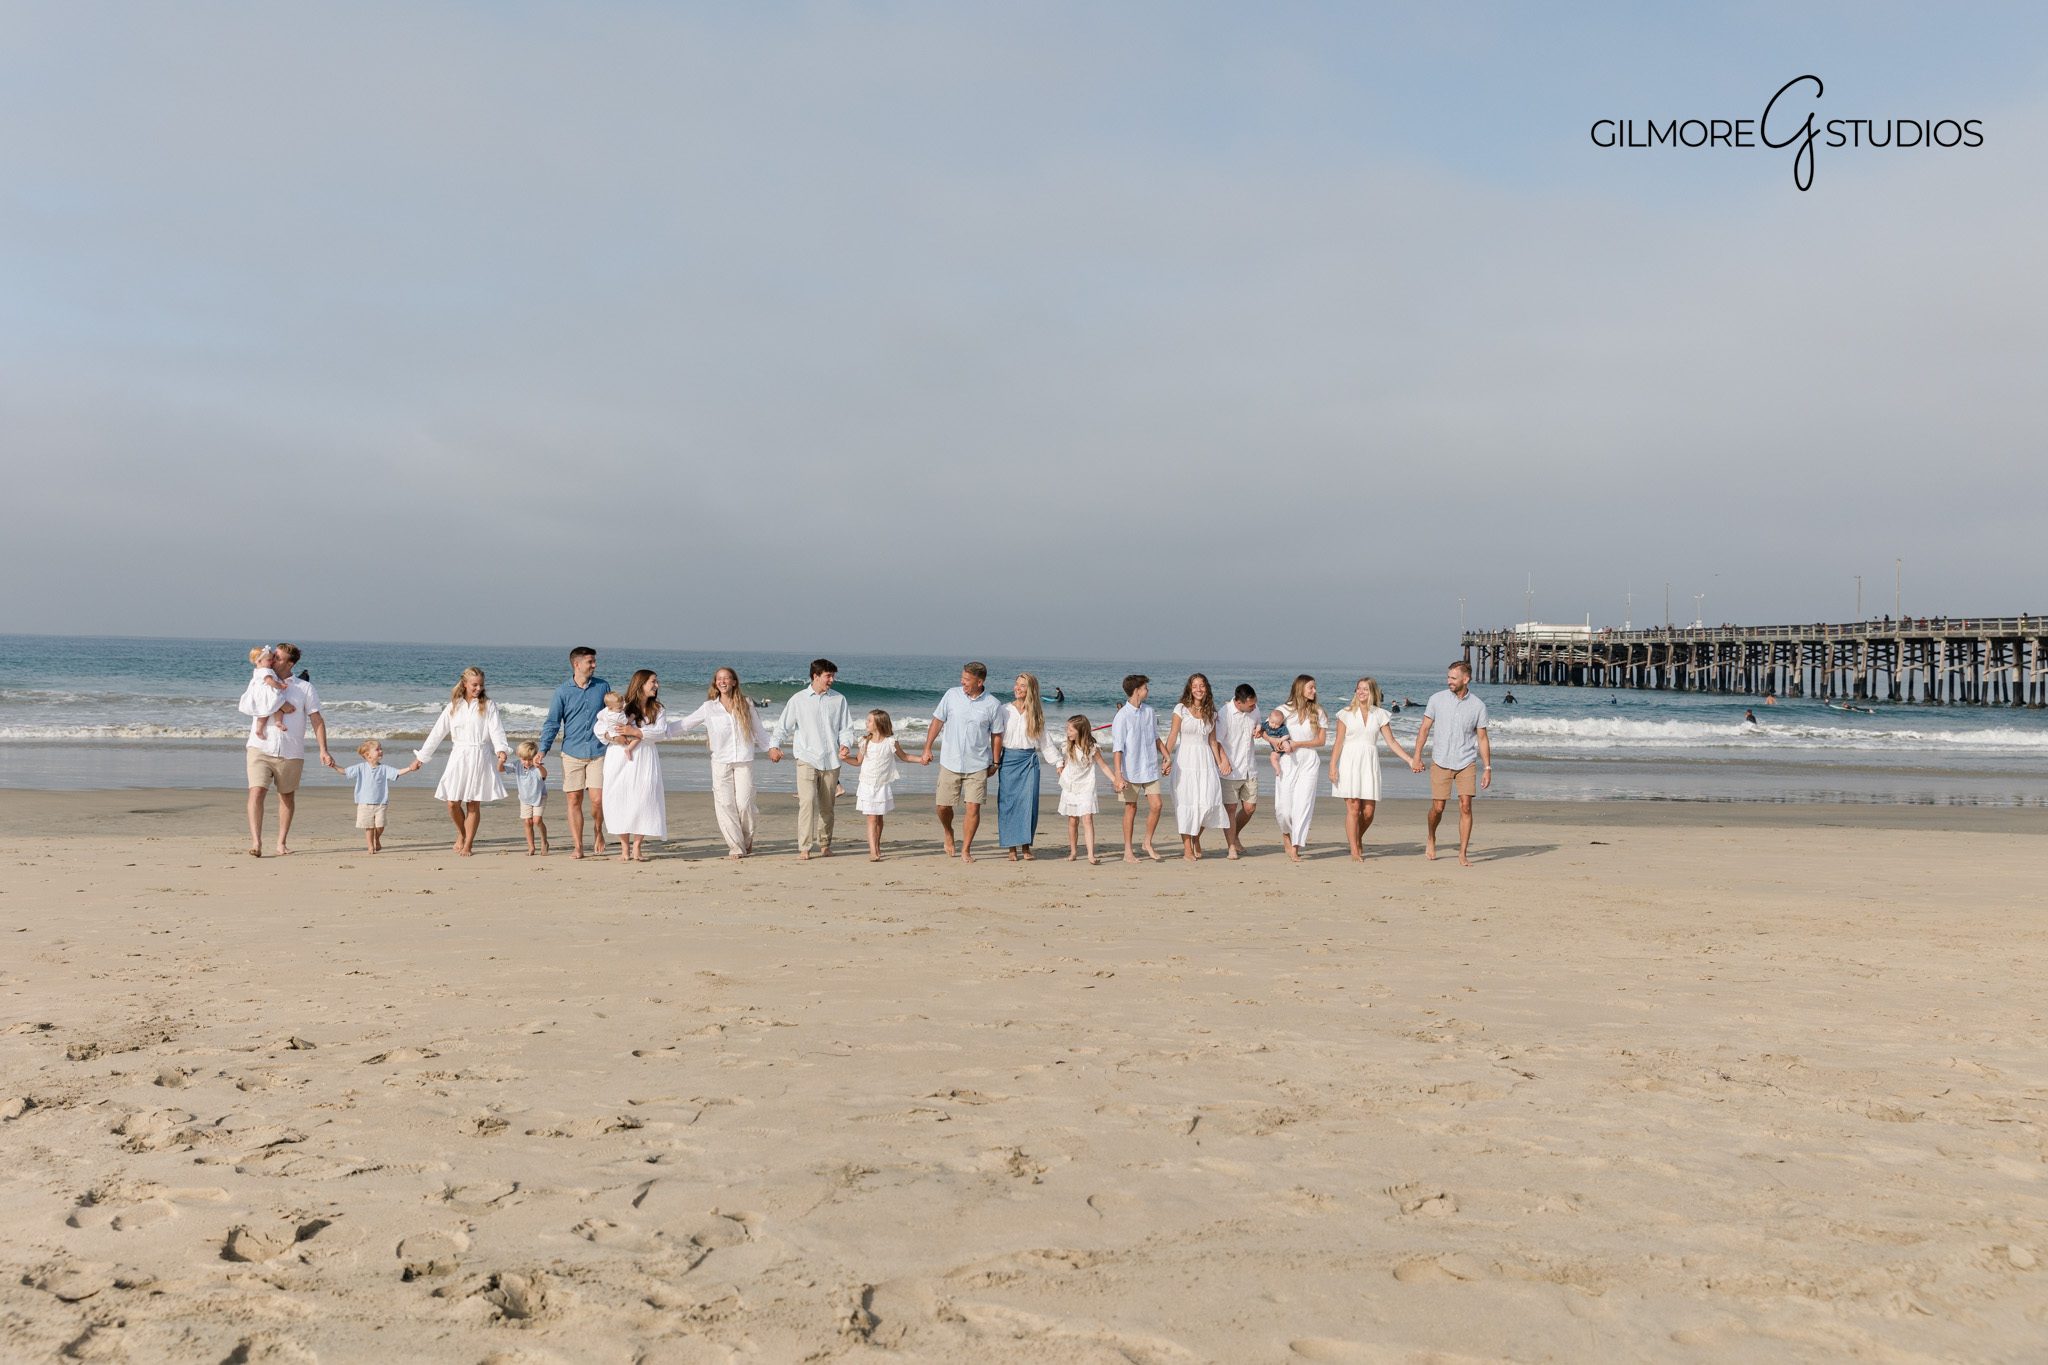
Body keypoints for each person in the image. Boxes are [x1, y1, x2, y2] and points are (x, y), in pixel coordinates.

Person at [413, 666, 512, 857]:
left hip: (480, 755)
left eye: (481, 685)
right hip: (458, 755)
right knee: (452, 803)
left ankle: (468, 844)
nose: (478, 688)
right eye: (474, 685)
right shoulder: (453, 706)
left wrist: (501, 750)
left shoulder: (489, 705)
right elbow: (437, 733)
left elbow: (496, 730)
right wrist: (421, 758)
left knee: (473, 803)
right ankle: (461, 832)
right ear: (465, 684)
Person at [675, 668, 773, 858]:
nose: (723, 681)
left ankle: (747, 838)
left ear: (734, 682)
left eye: (726, 678)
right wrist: (656, 731)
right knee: (725, 804)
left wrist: (771, 748)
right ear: (715, 683)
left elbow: (758, 730)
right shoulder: (709, 707)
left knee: (745, 804)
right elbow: (685, 724)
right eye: (719, 679)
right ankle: (736, 847)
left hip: (744, 760)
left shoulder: (746, 704)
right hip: (721, 761)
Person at [768, 659, 858, 860]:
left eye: (833, 676)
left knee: (827, 806)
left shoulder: (839, 700)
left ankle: (825, 844)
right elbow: (783, 726)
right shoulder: (798, 700)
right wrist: (774, 746)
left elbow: (846, 728)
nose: (832, 680)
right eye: (828, 676)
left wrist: (846, 744)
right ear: (815, 676)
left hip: (831, 760)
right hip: (806, 757)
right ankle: (805, 847)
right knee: (807, 802)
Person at [593, 669, 686, 863]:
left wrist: (635, 731)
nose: (657, 685)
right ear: (641, 683)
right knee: (618, 798)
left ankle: (637, 847)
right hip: (619, 755)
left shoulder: (658, 709)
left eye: (657, 682)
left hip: (645, 756)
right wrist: (613, 736)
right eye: (653, 681)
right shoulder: (621, 704)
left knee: (645, 798)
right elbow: (599, 726)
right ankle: (624, 848)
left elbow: (660, 733)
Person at [250, 643, 332, 857]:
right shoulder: (261, 679)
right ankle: (256, 843)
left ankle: (281, 843)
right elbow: (249, 704)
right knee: (256, 791)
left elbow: (317, 720)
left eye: (277, 658)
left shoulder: (304, 688)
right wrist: (279, 706)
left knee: (286, 796)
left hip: (291, 750)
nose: (272, 660)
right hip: (260, 745)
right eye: (273, 657)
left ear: (291, 663)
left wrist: (323, 750)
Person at [1327, 677, 1420, 862]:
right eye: (1359, 689)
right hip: (1349, 761)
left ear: (1373, 692)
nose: (1361, 692)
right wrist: (1332, 766)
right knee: (1353, 808)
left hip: (1369, 762)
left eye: (1366, 689)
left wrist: (1410, 760)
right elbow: (1338, 742)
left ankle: (1356, 838)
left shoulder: (1380, 715)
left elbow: (1391, 742)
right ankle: (1354, 850)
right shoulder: (1344, 714)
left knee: (1368, 812)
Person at [1412, 661, 1492, 866]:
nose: (1449, 681)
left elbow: (1482, 738)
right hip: (1440, 760)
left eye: (1453, 678)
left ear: (1465, 679)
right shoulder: (1436, 700)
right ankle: (1431, 836)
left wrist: (1487, 768)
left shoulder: (1478, 706)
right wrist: (1417, 756)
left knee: (1466, 806)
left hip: (1466, 761)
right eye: (1448, 677)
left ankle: (1462, 853)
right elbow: (1424, 729)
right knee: (1438, 808)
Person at [921, 662, 1002, 862]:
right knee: (942, 806)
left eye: (967, 680)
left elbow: (997, 735)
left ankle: (966, 849)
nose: (962, 682)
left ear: (979, 681)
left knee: (973, 807)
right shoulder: (951, 695)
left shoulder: (993, 704)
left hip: (978, 764)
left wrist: (996, 762)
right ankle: (948, 832)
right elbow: (937, 721)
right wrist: (927, 747)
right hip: (950, 761)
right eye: (962, 678)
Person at [539, 647, 611, 859]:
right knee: (574, 800)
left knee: (597, 800)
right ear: (577, 664)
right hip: (572, 752)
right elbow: (552, 723)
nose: (594, 665)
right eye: (590, 661)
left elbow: (613, 714)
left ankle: (598, 831)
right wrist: (543, 749)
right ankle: (578, 845)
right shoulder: (562, 691)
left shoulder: (602, 686)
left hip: (599, 751)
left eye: (594, 661)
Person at [992, 673, 1064, 860]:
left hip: (1029, 761)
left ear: (1030, 689)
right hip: (1008, 760)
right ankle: (1011, 848)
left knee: (1028, 804)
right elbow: (994, 737)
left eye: (1022, 685)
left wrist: (1058, 762)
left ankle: (1025, 847)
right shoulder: (1004, 710)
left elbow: (1045, 743)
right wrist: (991, 761)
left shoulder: (1036, 713)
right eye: (1016, 684)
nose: (1017, 688)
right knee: (1008, 804)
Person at [1164, 673, 1229, 860]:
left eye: (1202, 686)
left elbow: (1213, 741)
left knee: (1208, 802)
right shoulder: (1181, 709)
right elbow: (1172, 735)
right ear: (1189, 689)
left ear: (1206, 688)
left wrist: (1220, 763)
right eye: (1195, 686)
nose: (1198, 689)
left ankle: (1196, 837)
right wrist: (1166, 759)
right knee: (1186, 804)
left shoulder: (1212, 713)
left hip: (1206, 761)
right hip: (1185, 760)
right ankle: (1187, 848)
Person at [845, 709, 924, 861]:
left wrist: (921, 759)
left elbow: (905, 757)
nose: (866, 723)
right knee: (872, 819)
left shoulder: (890, 741)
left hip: (882, 785)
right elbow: (857, 761)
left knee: (879, 819)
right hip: (867, 784)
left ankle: (877, 845)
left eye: (869, 721)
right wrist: (844, 758)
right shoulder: (865, 741)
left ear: (879, 724)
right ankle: (873, 851)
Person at [1111, 674, 1171, 863]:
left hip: (1150, 767)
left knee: (1157, 805)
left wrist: (1166, 755)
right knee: (1131, 808)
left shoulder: (1149, 712)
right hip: (1130, 770)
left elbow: (1155, 737)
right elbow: (1117, 748)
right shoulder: (1122, 716)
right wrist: (1118, 775)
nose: (1148, 690)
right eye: (1145, 687)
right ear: (1137, 691)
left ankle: (1147, 842)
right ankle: (1128, 850)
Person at [1270, 675, 1326, 862]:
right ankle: (1286, 833)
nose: (1314, 691)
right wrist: (1276, 743)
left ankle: (1295, 847)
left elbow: (1321, 740)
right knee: (1283, 808)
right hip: (1287, 760)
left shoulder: (1318, 711)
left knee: (1303, 805)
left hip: (1309, 760)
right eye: (1311, 688)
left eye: (1315, 688)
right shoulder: (1283, 710)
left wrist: (1298, 744)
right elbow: (1268, 732)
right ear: (1300, 688)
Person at [1056, 714, 1118, 864]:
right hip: (1070, 786)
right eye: (1067, 729)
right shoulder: (1068, 746)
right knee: (1072, 820)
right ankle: (1073, 851)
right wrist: (1060, 768)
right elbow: (1064, 762)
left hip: (1086, 786)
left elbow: (1103, 766)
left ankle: (1091, 854)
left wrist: (1115, 780)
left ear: (1080, 731)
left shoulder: (1092, 748)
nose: (1067, 732)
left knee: (1087, 819)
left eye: (1070, 730)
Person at [341, 739, 420, 854]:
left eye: (381, 748)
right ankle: (370, 846)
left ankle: (376, 838)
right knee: (369, 826)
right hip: (364, 803)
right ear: (368, 755)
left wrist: (410, 768)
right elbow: (345, 771)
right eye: (377, 749)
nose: (381, 751)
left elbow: (397, 772)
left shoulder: (384, 768)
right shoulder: (360, 768)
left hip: (381, 803)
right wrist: (333, 765)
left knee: (380, 825)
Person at [1215, 683, 1262, 859]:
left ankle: (1234, 835)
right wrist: (1223, 761)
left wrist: (1259, 729)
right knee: (1231, 809)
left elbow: (1259, 723)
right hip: (1230, 769)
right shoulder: (1224, 714)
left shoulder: (1255, 710)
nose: (1254, 707)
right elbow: (1216, 741)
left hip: (1250, 767)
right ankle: (1231, 847)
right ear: (1238, 702)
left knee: (1250, 808)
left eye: (1255, 703)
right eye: (1250, 705)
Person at [240, 646, 290, 741]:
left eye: (272, 659)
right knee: (275, 705)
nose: (272, 662)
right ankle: (277, 722)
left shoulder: (259, 670)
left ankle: (260, 729)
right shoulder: (265, 670)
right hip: (266, 693)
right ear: (259, 661)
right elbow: (269, 681)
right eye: (269, 660)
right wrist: (280, 686)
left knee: (264, 713)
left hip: (261, 693)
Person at [514, 740, 550, 855]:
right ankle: (531, 847)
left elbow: (544, 775)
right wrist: (501, 761)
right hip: (525, 798)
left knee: (537, 820)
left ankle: (544, 841)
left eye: (530, 759)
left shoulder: (537, 768)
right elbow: (501, 769)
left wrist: (538, 766)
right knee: (527, 822)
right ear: (519, 757)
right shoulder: (517, 765)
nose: (527, 762)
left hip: (539, 796)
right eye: (524, 759)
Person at [598, 691, 641, 761]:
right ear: (610, 707)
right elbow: (627, 723)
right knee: (638, 738)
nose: (622, 709)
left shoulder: (606, 712)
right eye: (619, 708)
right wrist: (632, 717)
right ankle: (628, 749)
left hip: (612, 735)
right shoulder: (619, 716)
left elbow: (598, 716)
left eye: (622, 706)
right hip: (619, 735)